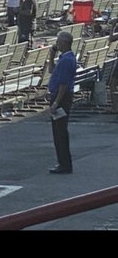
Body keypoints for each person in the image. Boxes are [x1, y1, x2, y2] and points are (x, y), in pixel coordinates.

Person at [47, 30, 77, 173]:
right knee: (59, 131)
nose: (56, 44)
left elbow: (63, 84)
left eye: (58, 41)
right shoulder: (65, 57)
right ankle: (63, 163)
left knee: (60, 132)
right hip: (61, 96)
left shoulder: (66, 60)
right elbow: (51, 71)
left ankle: (64, 164)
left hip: (61, 98)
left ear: (64, 43)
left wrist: (55, 103)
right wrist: (51, 57)